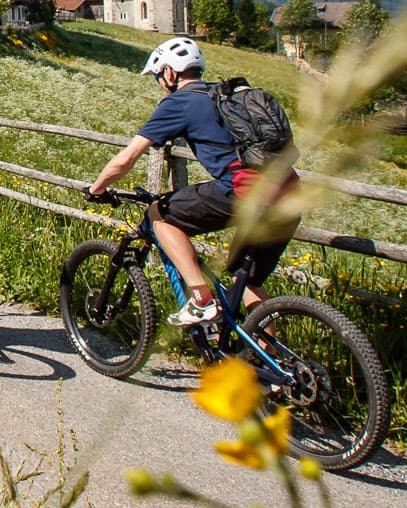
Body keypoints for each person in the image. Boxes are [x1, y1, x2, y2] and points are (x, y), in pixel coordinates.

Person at [84, 36, 292, 326]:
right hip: (288, 193)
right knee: (244, 281)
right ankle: (278, 364)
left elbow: (126, 159)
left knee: (160, 214)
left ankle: (201, 300)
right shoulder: (223, 95)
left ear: (169, 72)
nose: (159, 82)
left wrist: (97, 189)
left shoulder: (179, 103)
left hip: (245, 190)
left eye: (158, 76)